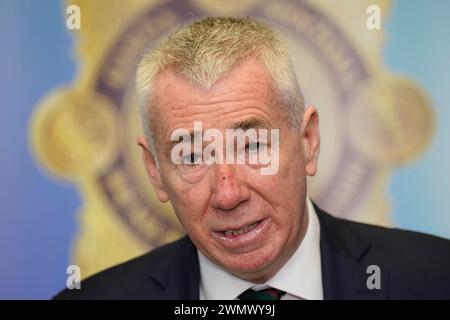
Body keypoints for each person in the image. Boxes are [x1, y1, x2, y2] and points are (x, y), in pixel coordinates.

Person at [55, 17, 450, 300]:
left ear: (309, 140)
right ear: (155, 171)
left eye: (253, 146)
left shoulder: (435, 278)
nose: (228, 194)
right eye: (192, 155)